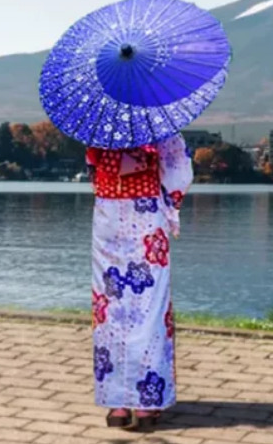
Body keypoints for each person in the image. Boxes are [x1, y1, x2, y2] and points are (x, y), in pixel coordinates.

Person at [87, 132, 193, 431]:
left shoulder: (98, 121)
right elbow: (178, 170)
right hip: (145, 212)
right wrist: (171, 206)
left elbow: (94, 168)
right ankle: (146, 406)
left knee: (109, 306)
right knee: (149, 308)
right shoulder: (157, 122)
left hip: (107, 213)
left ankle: (117, 406)